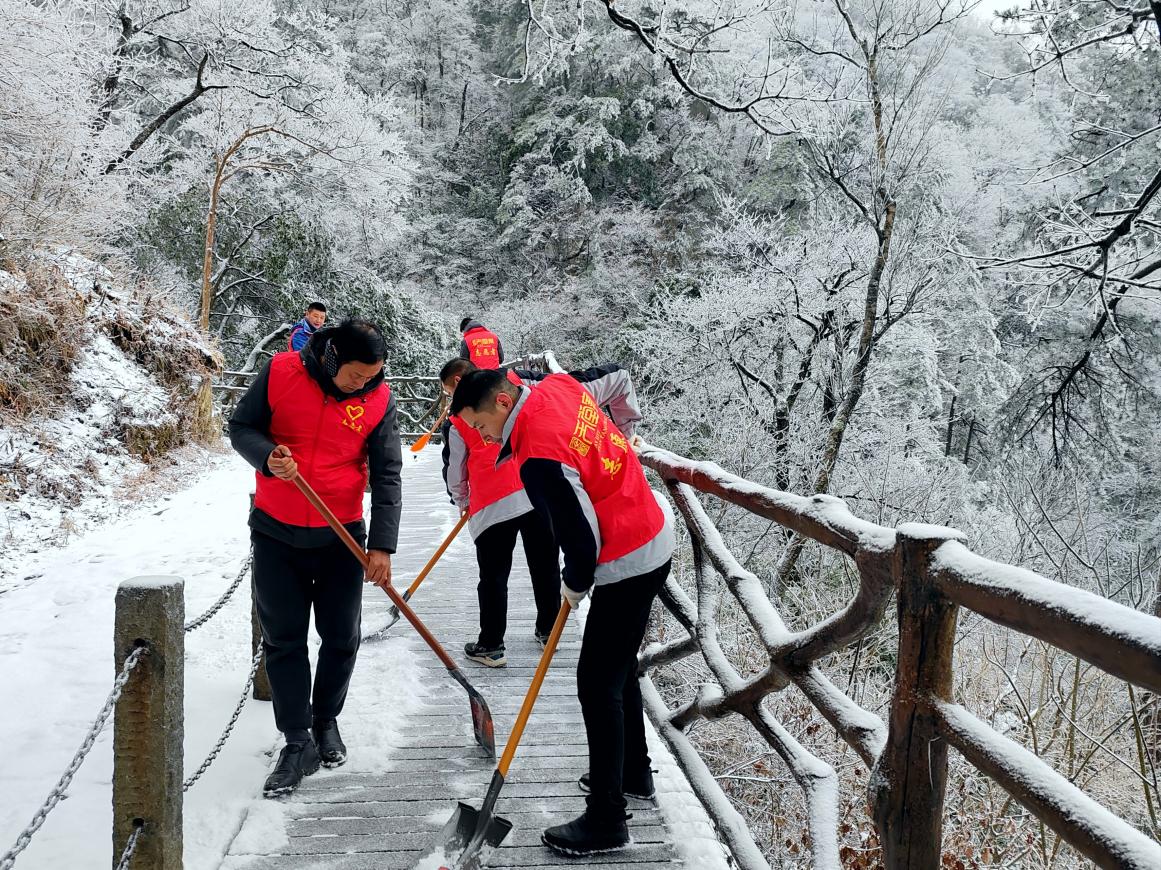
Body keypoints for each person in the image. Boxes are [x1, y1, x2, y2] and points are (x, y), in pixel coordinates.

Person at [450, 368, 674, 857]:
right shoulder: (558, 386)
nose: (483, 438)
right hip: (651, 531)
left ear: (503, 402)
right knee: (617, 670)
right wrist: (625, 433)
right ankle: (633, 772)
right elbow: (617, 377)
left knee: (595, 685)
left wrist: (572, 585)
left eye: (481, 425)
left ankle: (607, 820)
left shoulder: (537, 454)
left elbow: (581, 540)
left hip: (627, 556)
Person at [229, 318, 402, 797]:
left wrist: (381, 545)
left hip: (340, 534)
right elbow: (241, 427)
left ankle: (326, 719)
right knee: (283, 639)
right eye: (355, 375)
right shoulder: (281, 371)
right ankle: (296, 739)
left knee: (342, 635)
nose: (363, 384)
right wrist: (268, 456)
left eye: (372, 376)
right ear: (331, 358)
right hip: (276, 530)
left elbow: (388, 473)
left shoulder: (379, 399)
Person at [440, 358, 646, 668]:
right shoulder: (519, 382)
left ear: (458, 382)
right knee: (545, 564)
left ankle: (491, 644)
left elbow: (455, 469)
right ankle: (549, 630)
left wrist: (461, 500)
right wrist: (625, 432)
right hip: (535, 495)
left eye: (448, 392)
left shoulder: (458, 422)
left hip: (493, 502)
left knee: (493, 576)